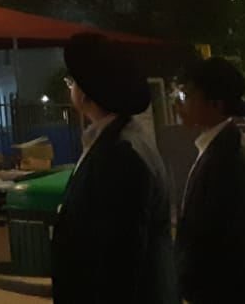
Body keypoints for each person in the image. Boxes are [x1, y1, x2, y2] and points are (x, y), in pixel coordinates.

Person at [50, 34, 178, 304]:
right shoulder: (113, 141)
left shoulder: (122, 153)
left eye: (71, 82)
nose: (70, 88)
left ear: (87, 92)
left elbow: (121, 253)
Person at [174, 58, 245, 304]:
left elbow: (215, 237)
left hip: (230, 292)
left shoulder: (228, 157)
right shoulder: (219, 147)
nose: (179, 104)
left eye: (187, 96)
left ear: (216, 104)